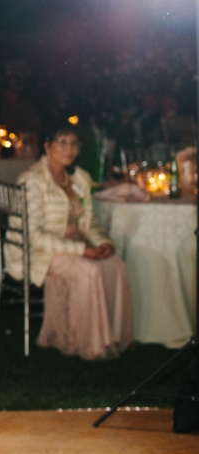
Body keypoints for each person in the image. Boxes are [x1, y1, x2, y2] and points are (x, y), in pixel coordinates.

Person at [10, 119, 134, 360]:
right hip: (43, 251)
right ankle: (92, 342)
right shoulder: (33, 180)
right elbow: (34, 235)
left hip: (76, 245)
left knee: (116, 264)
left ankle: (117, 336)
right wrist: (81, 250)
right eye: (62, 142)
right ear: (47, 146)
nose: (69, 149)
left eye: (74, 143)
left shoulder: (79, 179)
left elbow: (88, 224)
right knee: (90, 271)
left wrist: (103, 242)